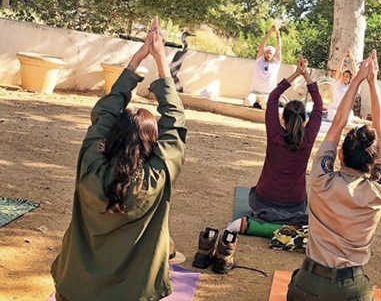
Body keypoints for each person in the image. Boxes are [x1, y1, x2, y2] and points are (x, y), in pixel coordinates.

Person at [51, 17, 187, 301]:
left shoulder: (92, 165)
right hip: (135, 293)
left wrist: (135, 62)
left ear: (112, 138)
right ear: (152, 144)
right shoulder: (155, 177)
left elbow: (104, 114)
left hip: (76, 288)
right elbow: (174, 121)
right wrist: (162, 61)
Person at [193, 55, 323, 273]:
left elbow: (272, 98)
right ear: (303, 119)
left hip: (262, 201)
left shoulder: (274, 134)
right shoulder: (308, 139)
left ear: (284, 119)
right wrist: (306, 75)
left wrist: (294, 75)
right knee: (303, 207)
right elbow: (319, 105)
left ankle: (256, 222)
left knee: (253, 194)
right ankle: (281, 223)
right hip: (295, 207)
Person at [287, 50, 381, 300]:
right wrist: (372, 82)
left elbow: (336, 125)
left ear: (340, 156)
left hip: (308, 285)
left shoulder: (322, 180)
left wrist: (356, 81)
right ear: (373, 161)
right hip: (350, 290)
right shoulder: (378, 190)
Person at [243, 25, 282, 109]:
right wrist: (270, 31)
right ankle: (256, 103)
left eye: (270, 53)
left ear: (273, 55)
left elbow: (279, 49)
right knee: (247, 102)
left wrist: (278, 34)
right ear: (264, 53)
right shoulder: (260, 61)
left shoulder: (275, 64)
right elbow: (262, 45)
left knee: (265, 106)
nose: (268, 54)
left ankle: (261, 103)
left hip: (267, 94)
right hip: (255, 93)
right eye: (267, 52)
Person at [327, 50, 357, 121]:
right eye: (344, 76)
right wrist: (343, 57)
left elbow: (355, 72)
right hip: (334, 109)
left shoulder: (351, 86)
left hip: (345, 111)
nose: (345, 78)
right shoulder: (338, 83)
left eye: (347, 76)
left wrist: (351, 58)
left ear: (350, 78)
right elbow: (339, 69)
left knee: (346, 118)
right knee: (333, 116)